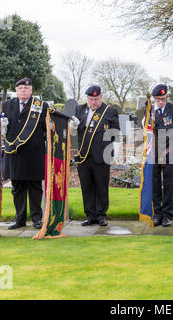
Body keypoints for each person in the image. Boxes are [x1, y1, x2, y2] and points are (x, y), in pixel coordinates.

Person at [1, 77, 48, 229]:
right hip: (15, 153)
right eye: (21, 88)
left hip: (34, 154)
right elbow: (3, 128)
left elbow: (47, 129)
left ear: (31, 90)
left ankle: (37, 219)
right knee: (17, 188)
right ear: (16, 90)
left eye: (26, 88)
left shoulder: (41, 106)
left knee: (35, 188)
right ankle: (19, 219)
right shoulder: (7, 105)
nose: (23, 91)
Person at [71, 85, 120, 227]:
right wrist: (73, 126)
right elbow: (74, 134)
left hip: (102, 155)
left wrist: (114, 153)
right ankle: (90, 215)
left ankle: (101, 215)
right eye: (91, 99)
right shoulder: (80, 110)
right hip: (83, 155)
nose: (93, 102)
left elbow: (115, 133)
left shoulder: (109, 111)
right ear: (87, 98)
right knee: (86, 186)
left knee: (101, 186)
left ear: (101, 97)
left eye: (96, 99)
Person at [148, 84, 173, 227]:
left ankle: (167, 215)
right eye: (158, 99)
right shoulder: (149, 111)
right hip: (154, 153)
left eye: (163, 99)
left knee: (169, 185)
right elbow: (145, 131)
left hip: (171, 151)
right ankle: (157, 214)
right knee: (155, 185)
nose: (161, 102)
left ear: (167, 97)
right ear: (154, 99)